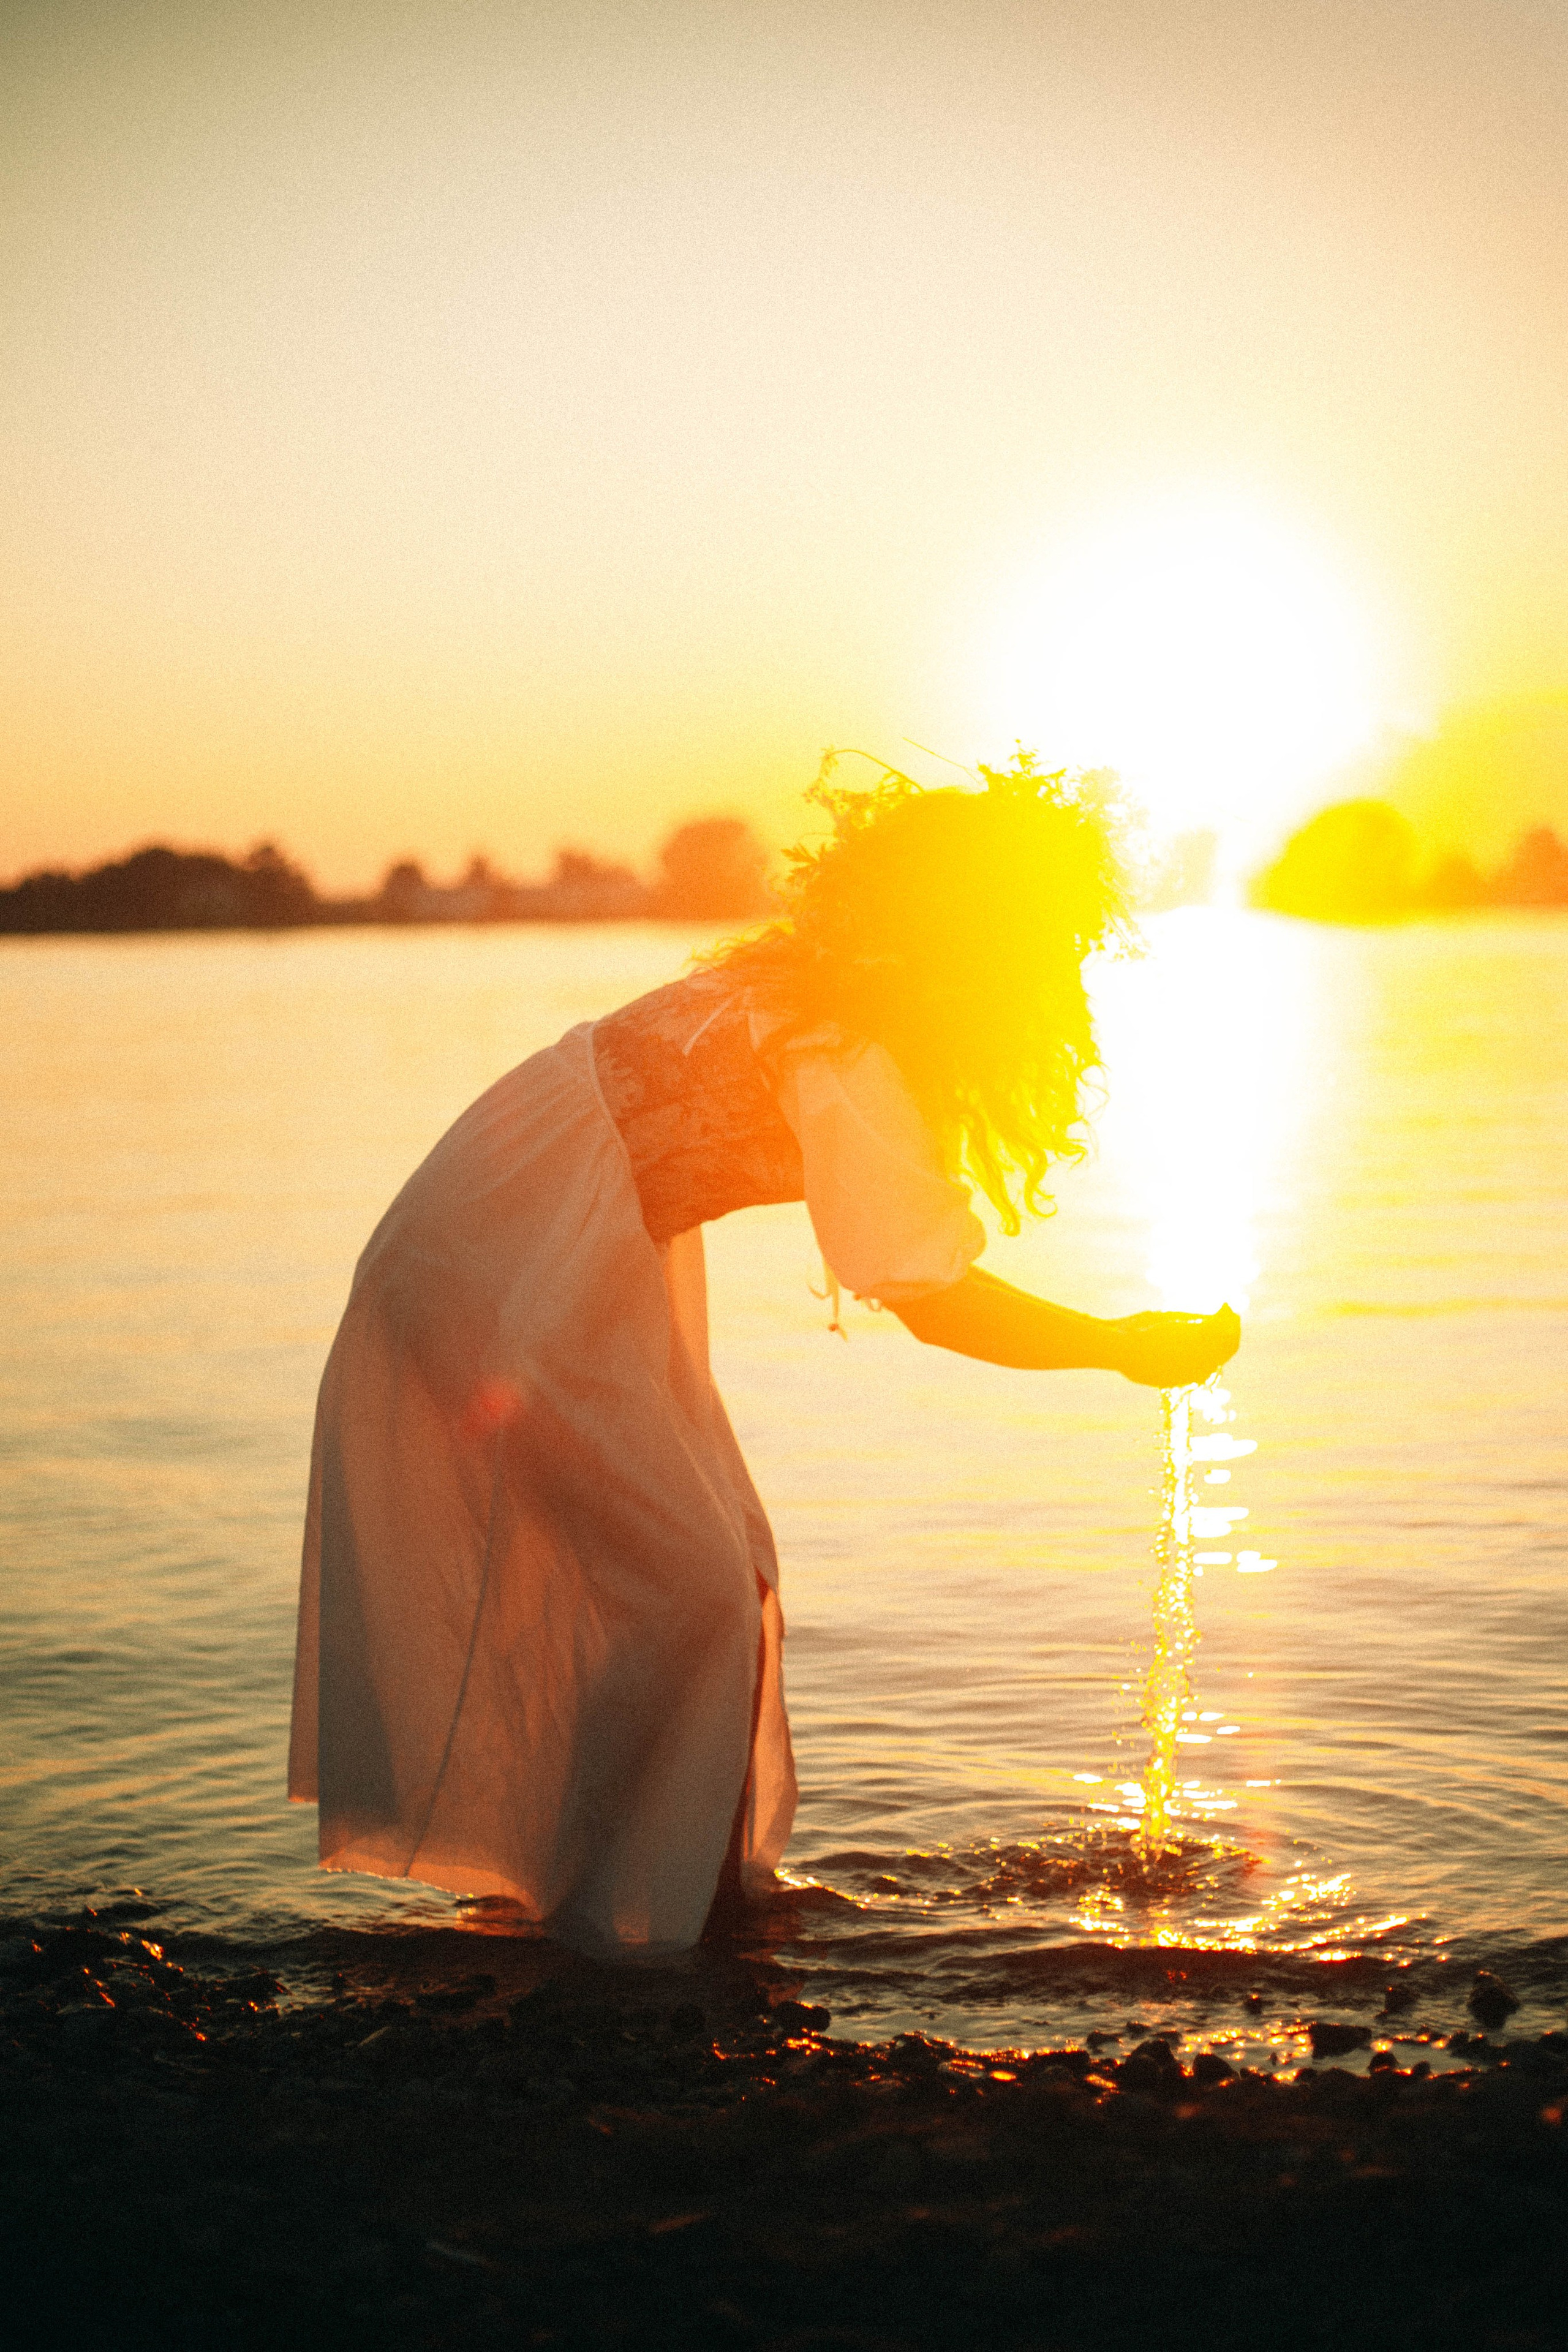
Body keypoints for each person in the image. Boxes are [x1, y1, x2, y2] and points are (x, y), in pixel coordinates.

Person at [287, 755, 1239, 1953]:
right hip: (501, 1253)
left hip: (578, 1240)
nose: (1049, 958)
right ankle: (625, 1921)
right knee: (688, 1586)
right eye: (1032, 929)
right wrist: (1118, 1348)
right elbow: (928, 1295)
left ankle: (674, 1895)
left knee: (722, 1572)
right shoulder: (838, 1036)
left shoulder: (839, 1006)